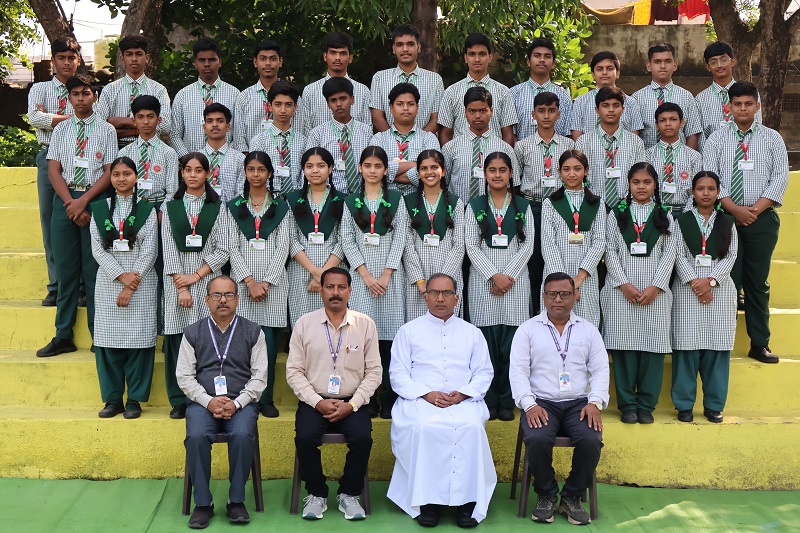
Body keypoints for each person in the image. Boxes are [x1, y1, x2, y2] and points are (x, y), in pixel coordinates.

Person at [388, 273, 495, 528]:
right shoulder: (408, 331)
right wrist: (426, 393)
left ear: (456, 298)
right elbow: (397, 374)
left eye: (446, 293)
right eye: (434, 293)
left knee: (471, 427)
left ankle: (468, 502)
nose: (440, 298)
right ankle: (427, 502)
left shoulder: (472, 333)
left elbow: (484, 372)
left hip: (464, 400)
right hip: (420, 400)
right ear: (425, 297)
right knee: (425, 426)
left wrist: (463, 394)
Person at [509, 272, 609, 526]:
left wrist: (595, 402)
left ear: (575, 296)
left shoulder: (588, 330)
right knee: (537, 438)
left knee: (591, 440)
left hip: (579, 403)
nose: (558, 300)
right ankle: (546, 493)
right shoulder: (527, 330)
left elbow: (600, 370)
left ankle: (572, 496)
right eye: (552, 294)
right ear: (543, 297)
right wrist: (529, 405)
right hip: (541, 402)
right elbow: (518, 372)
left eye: (565, 294)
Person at [286, 267, 382, 521]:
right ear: (321, 290)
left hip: (352, 402)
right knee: (305, 438)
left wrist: (353, 404)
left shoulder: (365, 324)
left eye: (341, 287)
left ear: (350, 291)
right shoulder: (304, 324)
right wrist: (317, 402)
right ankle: (316, 493)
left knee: (362, 438)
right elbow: (294, 372)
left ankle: (349, 494)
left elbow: (374, 372)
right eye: (330, 287)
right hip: (314, 401)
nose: (335, 293)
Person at [703, 81, 787, 364]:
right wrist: (734, 210)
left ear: (757, 106)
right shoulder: (717, 139)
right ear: (729, 107)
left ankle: (759, 343)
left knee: (757, 282)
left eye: (748, 104)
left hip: (761, 220)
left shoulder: (772, 138)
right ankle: (720, 343)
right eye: (737, 104)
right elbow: (710, 178)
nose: (742, 109)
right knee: (727, 282)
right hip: (725, 218)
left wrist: (754, 210)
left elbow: (779, 178)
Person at [177, 275, 268, 529]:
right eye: (216, 295)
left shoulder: (254, 331)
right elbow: (184, 376)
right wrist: (208, 402)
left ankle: (236, 501)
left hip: (241, 402)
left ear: (237, 299)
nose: (223, 300)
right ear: (207, 300)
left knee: (242, 434)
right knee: (196, 435)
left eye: (228, 295)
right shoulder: (192, 332)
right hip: (202, 402)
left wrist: (237, 404)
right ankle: (203, 504)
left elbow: (260, 377)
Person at [36, 74, 118, 358]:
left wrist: (83, 202)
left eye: (86, 93)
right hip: (66, 200)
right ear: (69, 98)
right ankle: (63, 335)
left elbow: (109, 171)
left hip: (95, 200)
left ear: (94, 96)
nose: (81, 98)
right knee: (67, 272)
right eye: (75, 94)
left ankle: (99, 335)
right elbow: (53, 170)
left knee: (95, 272)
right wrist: (71, 203)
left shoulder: (106, 130)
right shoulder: (61, 130)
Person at [601, 163, 676, 424]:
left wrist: (656, 286)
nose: (641, 187)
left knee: (653, 350)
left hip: (655, 293)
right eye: (636, 182)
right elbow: (609, 250)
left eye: (646, 182)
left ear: (655, 185)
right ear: (629, 185)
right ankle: (627, 405)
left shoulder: (665, 214)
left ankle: (646, 405)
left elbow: (670, 253)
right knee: (624, 349)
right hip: (622, 292)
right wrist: (624, 284)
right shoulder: (617, 214)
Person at [465, 152, 534, 421]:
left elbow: (528, 245)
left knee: (511, 348)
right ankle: (488, 398)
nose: (497, 175)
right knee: (486, 348)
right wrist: (494, 275)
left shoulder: (523, 206)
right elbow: (471, 245)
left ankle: (507, 400)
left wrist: (507, 277)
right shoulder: (474, 205)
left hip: (515, 285)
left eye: (502, 170)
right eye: (492, 170)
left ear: (511, 174)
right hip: (484, 285)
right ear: (484, 174)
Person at [341, 146, 409, 418]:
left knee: (389, 342)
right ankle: (365, 398)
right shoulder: (350, 202)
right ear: (359, 168)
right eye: (367, 165)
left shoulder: (397, 199)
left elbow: (401, 237)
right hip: (361, 279)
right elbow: (347, 239)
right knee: (361, 341)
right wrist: (367, 276)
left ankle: (390, 398)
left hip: (390, 278)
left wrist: (385, 274)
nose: (372, 170)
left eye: (377, 166)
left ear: (385, 170)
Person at [162, 152, 231, 418]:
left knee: (207, 340)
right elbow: (168, 249)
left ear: (208, 174)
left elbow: (223, 249)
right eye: (188, 170)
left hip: (208, 282)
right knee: (177, 340)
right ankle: (178, 399)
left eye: (198, 170)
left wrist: (196, 277)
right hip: (176, 281)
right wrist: (182, 286)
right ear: (182, 173)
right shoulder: (170, 206)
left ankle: (204, 396)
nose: (193, 175)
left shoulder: (218, 207)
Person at [89, 157, 158, 418]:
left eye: (127, 173)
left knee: (139, 342)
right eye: (116, 174)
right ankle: (113, 399)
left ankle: (135, 401)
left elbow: (150, 250)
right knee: (108, 342)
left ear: (136, 177)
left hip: (141, 283)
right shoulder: (99, 209)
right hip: (109, 282)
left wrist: (131, 284)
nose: (121, 179)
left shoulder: (147, 210)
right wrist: (121, 277)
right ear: (111, 178)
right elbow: (98, 249)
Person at [227, 151, 292, 418]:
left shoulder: (281, 207)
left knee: (268, 343)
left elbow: (284, 246)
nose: (256, 174)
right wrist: (249, 281)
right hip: (243, 285)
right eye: (251, 169)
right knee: (241, 341)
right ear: (245, 172)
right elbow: (231, 246)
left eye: (261, 170)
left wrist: (265, 282)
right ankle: (243, 396)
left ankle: (266, 397)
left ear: (269, 173)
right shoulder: (233, 206)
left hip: (272, 287)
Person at [671, 172, 738, 423]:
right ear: (693, 192)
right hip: (687, 292)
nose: (706, 193)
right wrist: (695, 282)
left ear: (718, 192)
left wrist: (709, 282)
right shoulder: (681, 221)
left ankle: (713, 405)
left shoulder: (727, 222)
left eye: (711, 188)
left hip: (719, 292)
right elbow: (677, 254)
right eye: (700, 188)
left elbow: (731, 256)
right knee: (686, 349)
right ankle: (684, 405)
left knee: (716, 349)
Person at [28, 38, 81, 307]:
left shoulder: (83, 90)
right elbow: (34, 118)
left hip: (79, 154)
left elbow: (91, 119)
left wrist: (50, 117)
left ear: (78, 60)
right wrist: (73, 118)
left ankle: (79, 286)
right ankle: (56, 285)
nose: (67, 63)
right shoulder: (40, 88)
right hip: (48, 154)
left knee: (78, 218)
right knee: (49, 220)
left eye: (71, 58)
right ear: (53, 60)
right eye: (61, 57)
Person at [514, 91, 575, 313]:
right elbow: (516, 182)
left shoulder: (568, 145)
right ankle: (535, 311)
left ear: (559, 114)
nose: (546, 116)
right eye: (541, 111)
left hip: (560, 206)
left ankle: (558, 306)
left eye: (551, 111)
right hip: (532, 206)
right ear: (533, 114)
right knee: (533, 260)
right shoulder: (522, 146)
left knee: (557, 255)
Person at [540, 150, 606, 328]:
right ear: (559, 172)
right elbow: (548, 244)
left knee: (585, 328)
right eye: (566, 169)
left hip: (585, 278)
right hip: (555, 276)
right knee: (553, 326)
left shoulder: (597, 204)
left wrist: (579, 279)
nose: (571, 174)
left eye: (577, 169)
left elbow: (599, 242)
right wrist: (564, 285)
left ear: (586, 171)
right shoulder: (550, 203)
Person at [286, 148, 346, 327]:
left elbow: (343, 240)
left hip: (334, 272)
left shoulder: (343, 200)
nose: (315, 171)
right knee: (303, 326)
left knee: (335, 325)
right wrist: (314, 271)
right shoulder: (292, 199)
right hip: (301, 272)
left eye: (321, 166)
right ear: (303, 169)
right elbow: (291, 239)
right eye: (309, 166)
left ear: (330, 168)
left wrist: (324, 275)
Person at [403, 150, 465, 321]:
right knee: (418, 327)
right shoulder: (407, 201)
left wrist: (443, 284)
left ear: (443, 171)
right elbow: (407, 245)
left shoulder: (456, 202)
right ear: (418, 173)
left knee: (448, 326)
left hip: (449, 273)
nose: (429, 172)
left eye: (434, 167)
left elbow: (459, 245)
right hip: (418, 281)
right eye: (424, 168)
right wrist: (420, 282)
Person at [442, 87, 520, 203]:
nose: (477, 116)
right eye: (472, 111)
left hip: (492, 211)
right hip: (458, 210)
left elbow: (512, 187)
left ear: (491, 111)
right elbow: (443, 184)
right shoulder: (450, 148)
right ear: (465, 112)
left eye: (483, 111)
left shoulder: (505, 149)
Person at [438, 33, 517, 146]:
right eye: (472, 54)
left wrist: (503, 155)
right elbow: (445, 132)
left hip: (495, 154)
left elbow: (508, 133)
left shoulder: (503, 92)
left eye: (482, 54)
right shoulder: (451, 92)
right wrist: (449, 155)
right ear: (465, 57)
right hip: (461, 155)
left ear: (490, 57)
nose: (477, 59)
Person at [575, 87, 646, 209]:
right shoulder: (583, 142)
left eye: (616, 105)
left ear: (623, 109)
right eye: (605, 105)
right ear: (597, 110)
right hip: (592, 205)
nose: (611, 110)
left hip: (627, 207)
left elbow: (640, 176)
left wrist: (626, 202)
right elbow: (579, 177)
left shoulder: (636, 142)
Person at [96, 35, 170, 147]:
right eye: (129, 54)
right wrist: (145, 125)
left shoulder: (158, 90)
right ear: (122, 59)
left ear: (147, 58)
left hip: (149, 147)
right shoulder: (110, 89)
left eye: (139, 54)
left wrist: (123, 121)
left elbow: (165, 126)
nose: (134, 59)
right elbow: (100, 125)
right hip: (116, 148)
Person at [171, 38, 241, 156]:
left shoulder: (235, 94)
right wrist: (188, 159)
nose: (207, 64)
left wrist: (227, 158)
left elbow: (239, 134)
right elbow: (174, 134)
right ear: (195, 63)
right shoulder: (182, 95)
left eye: (212, 60)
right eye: (201, 60)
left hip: (226, 162)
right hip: (190, 164)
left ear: (220, 62)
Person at [368, 83, 441, 195]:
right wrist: (414, 164)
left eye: (410, 104)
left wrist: (387, 173)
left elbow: (432, 173)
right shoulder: (379, 139)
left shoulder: (429, 138)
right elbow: (373, 171)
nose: (405, 108)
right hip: (386, 200)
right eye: (400, 104)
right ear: (391, 108)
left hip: (420, 200)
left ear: (417, 108)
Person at [305, 77, 373, 195]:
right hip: (329, 196)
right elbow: (309, 170)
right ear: (328, 104)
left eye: (343, 99)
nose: (339, 104)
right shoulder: (317, 134)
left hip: (361, 195)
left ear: (352, 99)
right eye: (333, 100)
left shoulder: (366, 131)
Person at [370, 25, 444, 133]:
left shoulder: (435, 80)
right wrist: (392, 140)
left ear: (419, 47)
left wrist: (420, 140)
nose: (405, 49)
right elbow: (377, 117)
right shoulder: (379, 78)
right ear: (394, 49)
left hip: (424, 142)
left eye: (410, 44)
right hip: (388, 142)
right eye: (400, 45)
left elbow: (436, 119)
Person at [297, 32, 372, 134]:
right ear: (325, 56)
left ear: (350, 58)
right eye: (333, 52)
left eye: (343, 53)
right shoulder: (310, 91)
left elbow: (368, 131)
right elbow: (305, 131)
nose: (337, 58)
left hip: (355, 144)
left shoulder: (363, 91)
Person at [632, 43, 702, 151]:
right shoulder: (637, 98)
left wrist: (689, 158)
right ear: (649, 66)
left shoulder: (686, 96)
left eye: (668, 61)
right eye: (657, 62)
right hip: (647, 158)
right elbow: (634, 135)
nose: (663, 66)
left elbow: (692, 133)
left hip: (680, 158)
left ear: (675, 65)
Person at [695, 41, 761, 144]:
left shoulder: (749, 93)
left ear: (733, 61)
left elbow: (757, 126)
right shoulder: (700, 99)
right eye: (713, 62)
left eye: (724, 60)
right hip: (713, 151)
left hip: (745, 150)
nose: (719, 65)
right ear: (708, 67)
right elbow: (701, 137)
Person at [119, 95, 180, 205]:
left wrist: (163, 211)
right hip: (131, 206)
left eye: (150, 117)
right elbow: (120, 187)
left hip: (158, 204)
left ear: (159, 120)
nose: (146, 121)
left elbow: (172, 191)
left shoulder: (169, 153)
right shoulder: (124, 153)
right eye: (140, 117)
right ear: (134, 121)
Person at [248, 80, 306, 193]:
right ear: (270, 106)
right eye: (278, 104)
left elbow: (304, 175)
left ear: (295, 107)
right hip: (268, 198)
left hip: (296, 199)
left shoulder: (303, 141)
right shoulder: (258, 142)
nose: (283, 110)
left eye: (288, 105)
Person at [570, 51, 644, 140]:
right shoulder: (580, 102)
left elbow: (634, 137)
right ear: (593, 75)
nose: (604, 72)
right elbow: (577, 136)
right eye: (599, 69)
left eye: (609, 68)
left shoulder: (631, 102)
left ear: (617, 73)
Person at [511, 38, 573, 140]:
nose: (542, 60)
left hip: (557, 150)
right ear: (528, 62)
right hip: (522, 149)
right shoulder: (514, 94)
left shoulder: (563, 96)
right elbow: (510, 133)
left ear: (553, 64)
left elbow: (568, 134)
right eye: (537, 55)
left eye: (547, 56)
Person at [233, 40, 289, 152]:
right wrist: (250, 160)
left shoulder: (290, 95)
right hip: (253, 159)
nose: (268, 63)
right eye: (263, 59)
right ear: (255, 62)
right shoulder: (244, 97)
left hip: (285, 157)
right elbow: (239, 139)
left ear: (280, 62)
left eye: (273, 59)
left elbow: (300, 129)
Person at [645, 103, 702, 213]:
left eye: (673, 119)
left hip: (684, 212)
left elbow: (697, 189)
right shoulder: (648, 155)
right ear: (656, 125)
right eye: (662, 120)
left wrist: (686, 215)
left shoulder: (694, 157)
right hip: (655, 213)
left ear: (682, 122)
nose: (668, 124)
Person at [202, 103, 245, 202]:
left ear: (228, 127)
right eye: (209, 121)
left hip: (231, 210)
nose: (214, 124)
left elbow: (240, 194)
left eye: (220, 121)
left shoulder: (239, 159)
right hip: (200, 211)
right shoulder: (196, 158)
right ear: (204, 127)